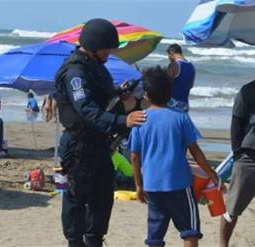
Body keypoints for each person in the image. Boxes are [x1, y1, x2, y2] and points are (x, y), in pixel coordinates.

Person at [55, 18, 146, 247]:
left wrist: (119, 94)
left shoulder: (97, 69)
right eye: (107, 49)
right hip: (79, 146)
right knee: (77, 199)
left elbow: (102, 99)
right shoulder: (75, 73)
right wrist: (124, 120)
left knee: (103, 199)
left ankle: (94, 241)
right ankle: (75, 243)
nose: (109, 53)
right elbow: (87, 110)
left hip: (100, 146)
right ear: (95, 46)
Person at [129, 66, 222, 247]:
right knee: (190, 231)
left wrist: (139, 186)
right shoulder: (180, 118)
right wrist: (211, 172)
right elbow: (195, 151)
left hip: (152, 184)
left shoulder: (140, 120)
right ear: (170, 92)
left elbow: (134, 157)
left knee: (154, 236)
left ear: (146, 95)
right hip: (179, 184)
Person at [219, 65, 255, 247]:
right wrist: (237, 153)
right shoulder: (249, 90)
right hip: (249, 156)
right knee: (232, 208)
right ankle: (223, 244)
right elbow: (236, 122)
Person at [166, 43, 195, 112]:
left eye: (169, 55)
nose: (168, 58)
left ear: (172, 53)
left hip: (173, 103)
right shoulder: (191, 66)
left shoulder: (174, 65)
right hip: (185, 104)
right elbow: (190, 85)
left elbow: (166, 84)